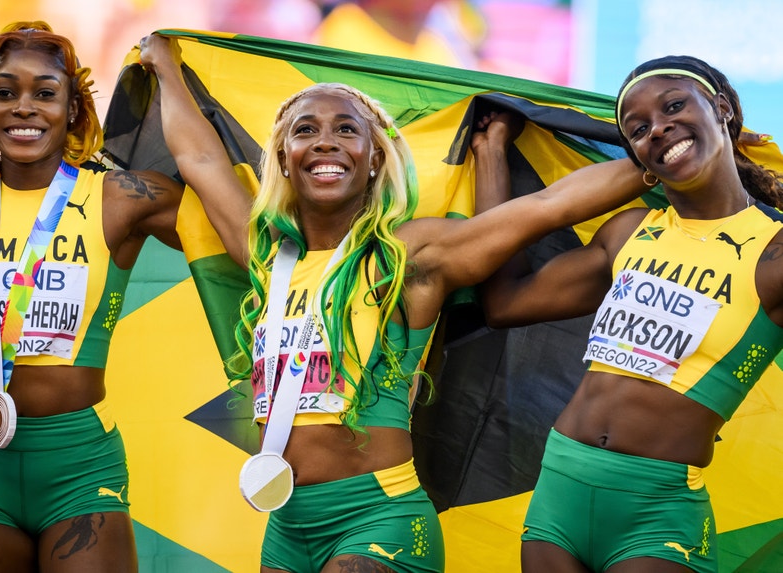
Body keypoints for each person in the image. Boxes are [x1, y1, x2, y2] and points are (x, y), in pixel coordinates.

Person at [138, 33, 647, 573]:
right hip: (286, 527)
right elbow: (198, 158)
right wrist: (165, 65)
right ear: (284, 160)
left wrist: (667, 157)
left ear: (375, 158)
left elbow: (547, 206)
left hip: (378, 520)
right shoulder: (266, 257)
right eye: (304, 130)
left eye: (347, 130)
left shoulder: (409, 257)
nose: (326, 141)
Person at [478, 55, 783, 573]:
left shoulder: (774, 255)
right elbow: (505, 302)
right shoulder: (629, 231)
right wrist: (491, 152)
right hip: (559, 492)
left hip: (657, 513)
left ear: (724, 109)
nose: (659, 129)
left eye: (673, 107)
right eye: (638, 129)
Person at [0, 22, 185, 573]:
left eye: (45, 93)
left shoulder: (121, 198)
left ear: (72, 111)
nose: (24, 107)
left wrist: (171, 77)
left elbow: (251, 232)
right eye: (4, 92)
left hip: (79, 466)